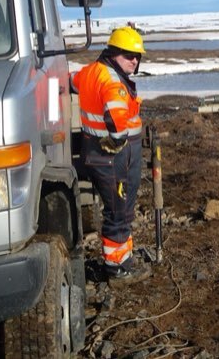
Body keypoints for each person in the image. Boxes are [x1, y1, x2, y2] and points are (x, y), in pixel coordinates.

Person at [70, 25, 150, 285]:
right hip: (115, 157)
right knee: (119, 210)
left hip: (95, 153)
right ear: (114, 52)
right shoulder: (113, 82)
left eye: (137, 56)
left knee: (120, 209)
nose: (134, 60)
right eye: (128, 55)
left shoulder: (91, 71)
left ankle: (123, 259)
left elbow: (72, 81)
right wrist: (117, 142)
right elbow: (117, 124)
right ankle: (116, 269)